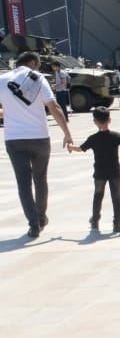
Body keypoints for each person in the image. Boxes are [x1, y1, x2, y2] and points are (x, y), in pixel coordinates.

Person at [0, 51, 74, 238]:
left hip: (14, 139)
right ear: (32, 62)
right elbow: (54, 106)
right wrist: (66, 133)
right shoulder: (38, 78)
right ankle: (41, 217)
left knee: (23, 183)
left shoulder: (2, 79)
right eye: (39, 64)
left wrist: (9, 113)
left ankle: (33, 223)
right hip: (39, 137)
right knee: (40, 179)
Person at [67, 106, 120, 231]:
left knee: (98, 196)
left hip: (100, 172)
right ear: (110, 120)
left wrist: (70, 147)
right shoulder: (116, 136)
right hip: (115, 171)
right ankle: (117, 223)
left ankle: (95, 220)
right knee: (116, 197)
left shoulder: (93, 138)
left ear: (95, 122)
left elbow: (80, 148)